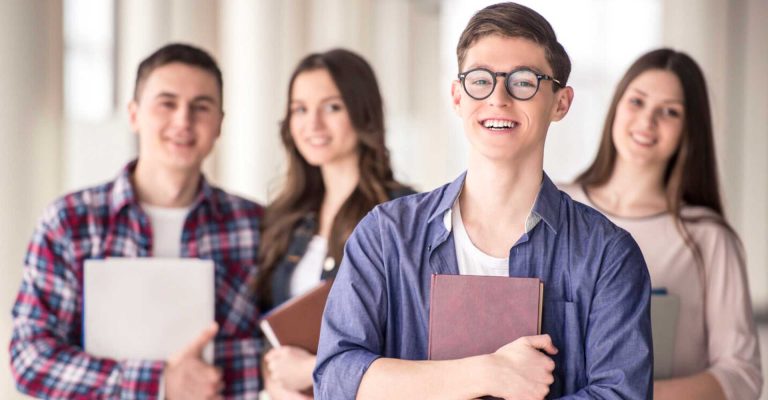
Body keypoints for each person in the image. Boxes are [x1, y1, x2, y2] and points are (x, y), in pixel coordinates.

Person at [313, 3, 653, 399]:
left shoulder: (608, 254)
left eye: (524, 81)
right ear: (457, 96)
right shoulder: (385, 235)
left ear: (561, 103)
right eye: (480, 80)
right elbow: (335, 381)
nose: (498, 98)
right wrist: (486, 374)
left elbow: (621, 394)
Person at [9, 43, 263, 399]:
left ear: (219, 123)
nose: (183, 121)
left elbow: (279, 353)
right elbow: (30, 358)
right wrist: (160, 383)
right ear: (133, 114)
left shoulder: (256, 226)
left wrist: (214, 374)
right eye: (167, 103)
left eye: (201, 106)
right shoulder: (69, 222)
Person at [560, 48, 762, 400]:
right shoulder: (555, 205)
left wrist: (631, 393)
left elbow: (742, 374)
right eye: (637, 102)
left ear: (689, 129)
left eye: (669, 112)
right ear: (616, 106)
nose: (647, 121)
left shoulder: (707, 237)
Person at [254, 48, 413, 400]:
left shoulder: (402, 215)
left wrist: (311, 371)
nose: (312, 124)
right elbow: (262, 324)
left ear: (362, 113)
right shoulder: (287, 216)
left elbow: (414, 342)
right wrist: (274, 380)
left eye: (332, 107)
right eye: (300, 109)